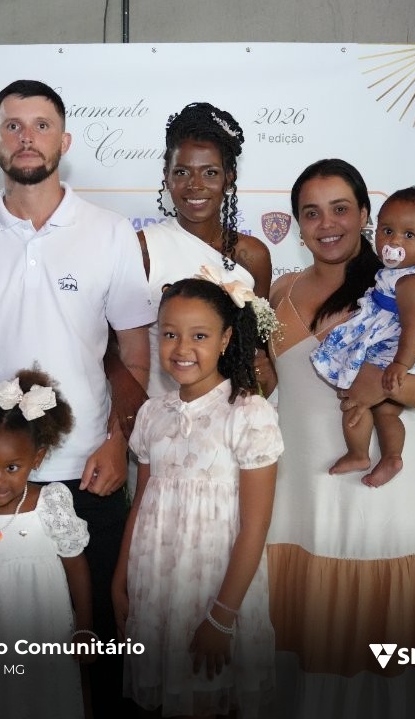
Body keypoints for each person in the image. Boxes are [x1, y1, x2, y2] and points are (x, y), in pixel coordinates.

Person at [0, 79, 154, 718]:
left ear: (65, 139)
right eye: (13, 125)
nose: (27, 137)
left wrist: (118, 442)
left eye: (41, 125)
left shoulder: (110, 233)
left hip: (88, 470)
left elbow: (134, 355)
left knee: (95, 637)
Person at [263, 159, 415, 718]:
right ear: (297, 224)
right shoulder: (279, 289)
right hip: (298, 483)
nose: (327, 224)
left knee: (370, 627)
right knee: (302, 623)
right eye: (311, 212)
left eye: (341, 209)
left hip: (378, 480)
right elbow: (271, 380)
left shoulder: (400, 286)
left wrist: (382, 385)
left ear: (366, 214)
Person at [114, 276, 284, 718]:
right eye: (170, 334)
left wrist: (222, 616)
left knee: (210, 696)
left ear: (226, 339)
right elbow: (142, 501)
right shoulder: (152, 413)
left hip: (216, 588)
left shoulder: (248, 413)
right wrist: (120, 579)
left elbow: (255, 525)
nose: (182, 348)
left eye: (200, 336)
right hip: (155, 580)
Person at [0, 368, 93, 719]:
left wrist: (85, 627)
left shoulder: (51, 503)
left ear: (36, 459)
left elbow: (76, 566)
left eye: (12, 467)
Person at [310, 187, 415, 487]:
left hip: (398, 351)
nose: (394, 242)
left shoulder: (411, 281)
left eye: (409, 235)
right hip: (394, 347)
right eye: (387, 231)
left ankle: (358, 453)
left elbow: (413, 328)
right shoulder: (412, 273)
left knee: (355, 395)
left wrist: (400, 365)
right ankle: (392, 457)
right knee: (386, 411)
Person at [141, 101, 272, 399]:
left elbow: (257, 347)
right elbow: (119, 342)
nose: (195, 185)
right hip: (158, 407)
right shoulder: (143, 247)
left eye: (210, 172)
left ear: (229, 177)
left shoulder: (253, 256)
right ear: (166, 175)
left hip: (228, 412)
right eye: (182, 172)